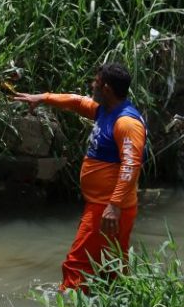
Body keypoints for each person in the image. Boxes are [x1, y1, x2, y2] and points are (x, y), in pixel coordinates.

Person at [9, 64, 146, 292]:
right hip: (108, 206)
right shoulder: (105, 111)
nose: (92, 85)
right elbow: (77, 102)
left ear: (107, 88)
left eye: (96, 82)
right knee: (112, 266)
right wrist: (43, 97)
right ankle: (118, 302)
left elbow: (131, 165)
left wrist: (113, 205)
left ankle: (69, 305)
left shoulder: (126, 122)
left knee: (77, 264)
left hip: (106, 208)